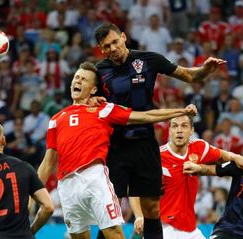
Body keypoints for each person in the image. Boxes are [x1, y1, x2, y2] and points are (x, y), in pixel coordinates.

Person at [94, 22, 226, 239]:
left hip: (145, 142)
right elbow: (85, 100)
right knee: (112, 209)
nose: (112, 49)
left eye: (115, 42)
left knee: (152, 209)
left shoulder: (149, 60)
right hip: (115, 146)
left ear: (124, 37)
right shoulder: (99, 71)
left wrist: (205, 69)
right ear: (101, 49)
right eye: (106, 46)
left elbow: (189, 76)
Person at [37, 62, 197, 239]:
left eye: (84, 79)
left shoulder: (103, 109)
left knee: (114, 233)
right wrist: (31, 193)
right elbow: (47, 162)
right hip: (66, 183)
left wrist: (180, 111)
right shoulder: (56, 119)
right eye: (76, 78)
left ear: (93, 90)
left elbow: (145, 116)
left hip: (94, 177)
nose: (78, 81)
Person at [159, 115, 243, 239]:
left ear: (192, 130)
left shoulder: (198, 147)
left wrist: (236, 157)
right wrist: (139, 216)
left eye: (184, 126)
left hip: (190, 229)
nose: (179, 130)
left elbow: (221, 155)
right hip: (164, 226)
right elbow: (137, 187)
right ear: (169, 130)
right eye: (175, 126)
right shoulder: (158, 156)